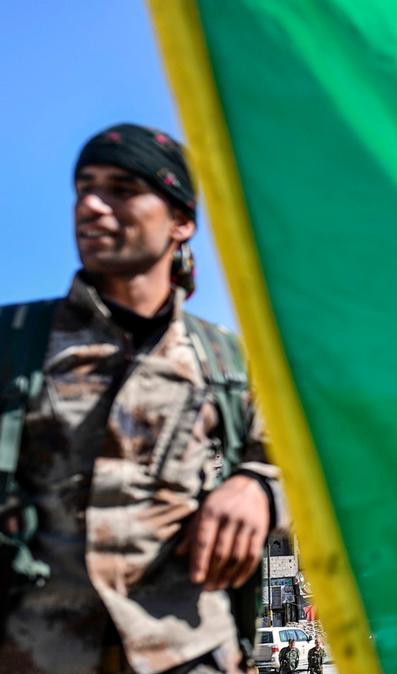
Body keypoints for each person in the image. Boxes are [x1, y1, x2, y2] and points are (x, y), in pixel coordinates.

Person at [0, 123, 287, 673]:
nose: (92, 205)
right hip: (33, 651)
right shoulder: (16, 342)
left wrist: (258, 488)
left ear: (181, 222)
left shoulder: (228, 361)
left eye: (122, 190)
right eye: (84, 188)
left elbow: (306, 469)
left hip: (188, 650)